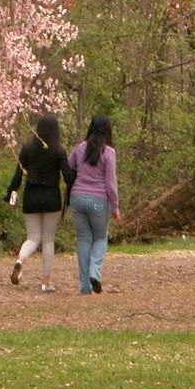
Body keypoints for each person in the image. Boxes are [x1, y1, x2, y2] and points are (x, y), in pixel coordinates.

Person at [6, 113, 75, 292]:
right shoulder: (58, 150)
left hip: (31, 197)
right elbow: (68, 177)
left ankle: (20, 260)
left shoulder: (27, 148)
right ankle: (45, 282)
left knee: (32, 237)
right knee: (48, 240)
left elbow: (18, 174)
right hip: (51, 197)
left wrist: (10, 194)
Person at [68, 115, 121, 294]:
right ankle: (94, 272)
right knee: (100, 238)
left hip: (77, 198)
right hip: (98, 200)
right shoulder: (108, 152)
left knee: (84, 240)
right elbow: (110, 183)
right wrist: (115, 206)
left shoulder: (79, 148)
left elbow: (70, 168)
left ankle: (85, 287)